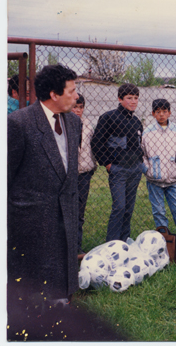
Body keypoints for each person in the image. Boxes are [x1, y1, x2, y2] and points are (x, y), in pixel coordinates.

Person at [8, 64, 81, 313]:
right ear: (53, 94)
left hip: (66, 213)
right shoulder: (19, 123)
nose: (76, 95)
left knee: (62, 276)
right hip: (31, 219)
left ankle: (62, 304)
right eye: (71, 91)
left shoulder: (73, 122)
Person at [91, 83, 143, 242]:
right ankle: (112, 244)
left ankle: (124, 240)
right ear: (120, 99)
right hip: (118, 170)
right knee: (119, 207)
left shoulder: (136, 122)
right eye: (129, 98)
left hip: (135, 170)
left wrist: (140, 164)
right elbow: (97, 143)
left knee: (128, 209)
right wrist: (107, 164)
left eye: (136, 98)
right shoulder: (109, 118)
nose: (133, 101)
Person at [142, 99, 176, 242]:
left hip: (173, 179)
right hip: (154, 180)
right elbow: (142, 154)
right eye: (158, 112)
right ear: (153, 114)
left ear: (169, 113)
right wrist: (147, 170)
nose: (162, 115)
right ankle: (164, 240)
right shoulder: (148, 132)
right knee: (159, 211)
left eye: (164, 111)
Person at [73, 93, 97, 255]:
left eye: (81, 107)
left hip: (84, 173)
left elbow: (91, 147)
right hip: (68, 174)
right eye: (75, 107)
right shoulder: (61, 123)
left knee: (80, 212)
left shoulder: (88, 125)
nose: (78, 110)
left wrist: (91, 167)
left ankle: (77, 245)